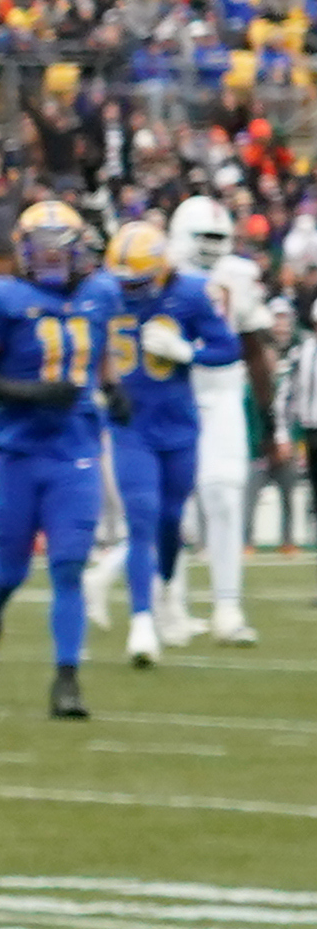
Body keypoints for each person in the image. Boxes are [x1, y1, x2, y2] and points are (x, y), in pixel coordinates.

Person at [0, 201, 116, 718]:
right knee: (9, 571)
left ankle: (66, 680)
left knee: (69, 567)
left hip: (74, 451)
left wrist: (114, 390)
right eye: (41, 249)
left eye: (60, 249)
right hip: (17, 452)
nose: (50, 260)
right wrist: (29, 392)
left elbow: (103, 351)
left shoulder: (100, 294)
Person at [97, 217, 240, 670]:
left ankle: (163, 592)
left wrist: (187, 352)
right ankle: (142, 622)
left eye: (139, 279)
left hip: (178, 424)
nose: (130, 289)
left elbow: (228, 348)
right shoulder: (103, 293)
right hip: (130, 424)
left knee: (171, 521)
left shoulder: (191, 292)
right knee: (141, 520)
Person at [164, 194, 278, 646]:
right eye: (202, 237)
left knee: (224, 495)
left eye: (218, 237)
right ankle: (171, 603)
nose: (210, 247)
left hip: (224, 391)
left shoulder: (239, 276)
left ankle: (227, 606)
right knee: (176, 508)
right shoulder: (158, 268)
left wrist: (269, 419)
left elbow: (254, 346)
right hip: (172, 394)